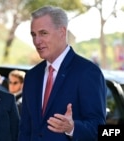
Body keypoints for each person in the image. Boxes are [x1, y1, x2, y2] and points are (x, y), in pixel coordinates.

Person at [19, 5, 107, 141]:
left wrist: (72, 128)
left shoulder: (87, 72)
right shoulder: (32, 76)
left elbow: (98, 128)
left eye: (43, 33)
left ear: (62, 32)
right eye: (33, 34)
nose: (37, 41)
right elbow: (25, 129)